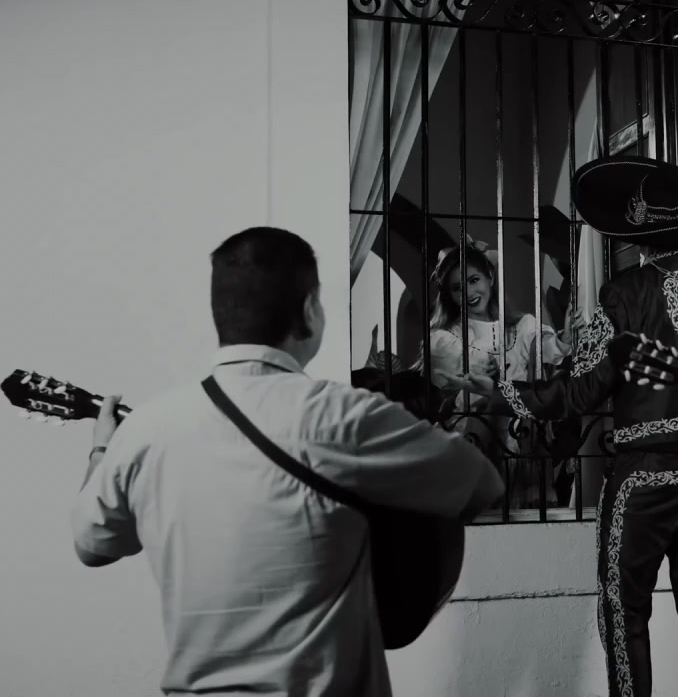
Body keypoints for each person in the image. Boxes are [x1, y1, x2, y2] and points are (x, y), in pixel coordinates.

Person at [70, 226, 503, 696]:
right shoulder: (346, 416)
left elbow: (93, 544)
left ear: (221, 314)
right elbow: (480, 482)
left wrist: (102, 451)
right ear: (310, 309)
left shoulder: (147, 428)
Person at [445, 156, 678, 697]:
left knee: (625, 610)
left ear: (639, 237)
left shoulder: (624, 294)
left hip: (645, 476)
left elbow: (579, 392)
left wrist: (503, 393)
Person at [418, 237, 581, 509]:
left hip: (521, 436)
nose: (469, 292)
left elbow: (547, 349)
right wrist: (480, 374)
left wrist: (563, 338)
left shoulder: (522, 326)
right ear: (449, 295)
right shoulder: (444, 338)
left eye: (474, 280)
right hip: (475, 435)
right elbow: (450, 378)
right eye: (457, 288)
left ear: (490, 278)